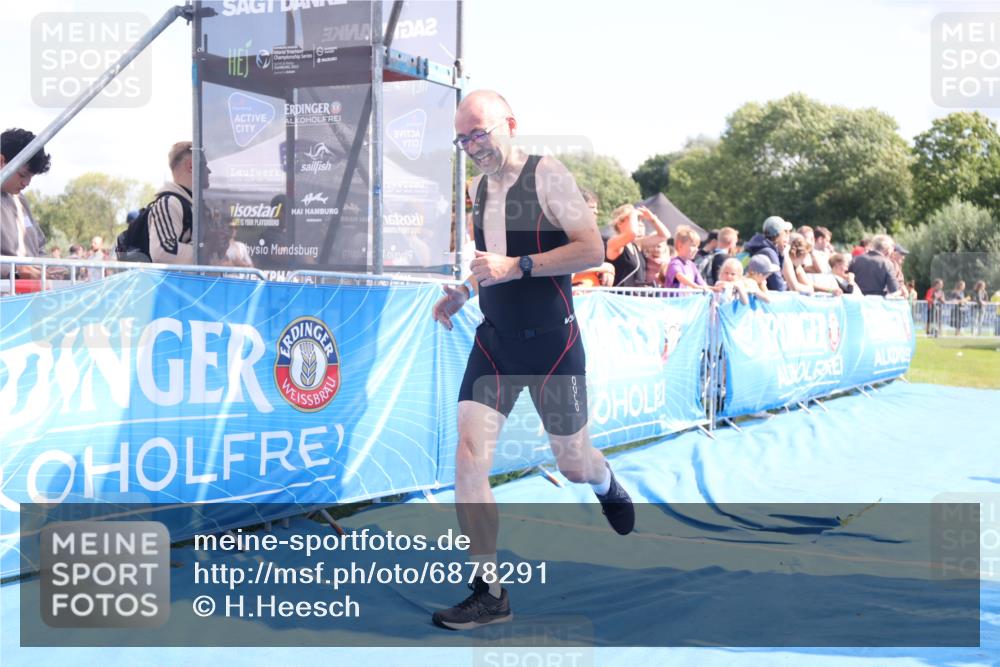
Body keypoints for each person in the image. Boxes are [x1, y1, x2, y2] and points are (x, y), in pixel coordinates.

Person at [430, 90, 634, 631]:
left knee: (572, 462)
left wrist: (518, 264)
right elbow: (488, 265)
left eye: (480, 132)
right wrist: (463, 293)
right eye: (463, 137)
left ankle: (604, 479)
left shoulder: (548, 175)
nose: (473, 145)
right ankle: (489, 592)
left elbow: (591, 250)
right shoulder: (477, 190)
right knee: (469, 458)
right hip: (495, 341)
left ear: (510, 125)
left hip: (552, 345)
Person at [0, 127, 53, 279]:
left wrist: (47, 268)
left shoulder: (20, 200)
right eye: (23, 175)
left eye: (31, 177)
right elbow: (19, 271)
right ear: (2, 161)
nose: (27, 183)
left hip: (30, 294)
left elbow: (39, 245)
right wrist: (16, 272)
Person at [148, 141, 202, 264]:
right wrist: (205, 250)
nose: (209, 171)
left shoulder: (188, 203)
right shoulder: (169, 203)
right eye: (204, 164)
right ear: (191, 166)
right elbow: (163, 252)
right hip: (172, 283)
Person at [605, 203, 670, 287]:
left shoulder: (637, 244)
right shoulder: (613, 243)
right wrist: (634, 212)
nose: (638, 224)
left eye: (639, 220)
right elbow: (632, 233)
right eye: (634, 220)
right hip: (620, 298)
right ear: (620, 223)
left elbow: (664, 236)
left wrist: (652, 219)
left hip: (636, 297)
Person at [663, 225, 721, 292]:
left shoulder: (692, 265)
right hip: (674, 301)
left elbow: (702, 284)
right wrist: (695, 286)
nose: (696, 249)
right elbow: (679, 276)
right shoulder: (675, 263)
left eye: (697, 246)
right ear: (680, 245)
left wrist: (715, 289)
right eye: (693, 245)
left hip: (687, 301)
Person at [744, 215, 792, 291]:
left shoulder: (757, 246)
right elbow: (779, 287)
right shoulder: (769, 252)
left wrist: (781, 254)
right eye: (784, 232)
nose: (786, 235)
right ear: (779, 234)